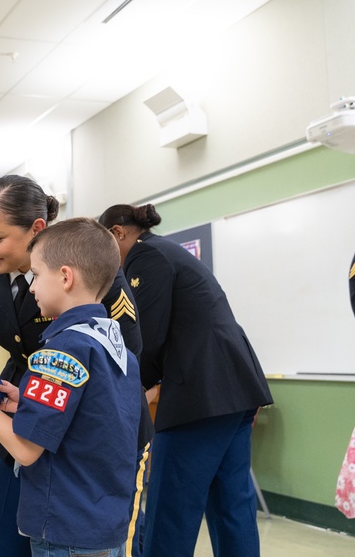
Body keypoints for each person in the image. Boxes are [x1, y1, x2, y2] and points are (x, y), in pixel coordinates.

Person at [0, 174, 151, 557]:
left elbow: (122, 359)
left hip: (90, 421)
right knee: (4, 537)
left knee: (70, 533)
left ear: (36, 229)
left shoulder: (92, 270)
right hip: (28, 398)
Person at [98, 203, 273, 557]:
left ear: (118, 233)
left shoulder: (145, 257)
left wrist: (121, 392)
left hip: (200, 395)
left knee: (170, 508)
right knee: (231, 506)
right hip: (234, 389)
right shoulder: (169, 251)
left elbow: (145, 338)